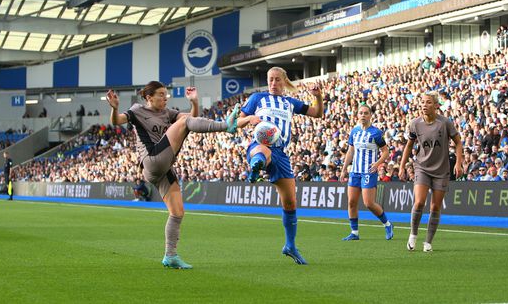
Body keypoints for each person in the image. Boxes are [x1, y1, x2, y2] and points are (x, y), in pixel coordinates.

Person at [106, 82, 239, 269]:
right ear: (149, 97)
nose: (165, 98)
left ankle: (170, 255)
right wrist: (115, 108)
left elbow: (192, 121)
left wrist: (194, 103)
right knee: (183, 123)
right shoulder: (137, 110)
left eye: (166, 94)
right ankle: (226, 125)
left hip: (163, 167)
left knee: (177, 212)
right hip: (152, 160)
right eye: (161, 94)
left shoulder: (168, 113)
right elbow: (117, 121)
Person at [238, 67, 323, 265]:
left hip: (281, 154)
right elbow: (238, 121)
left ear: (284, 82)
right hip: (260, 144)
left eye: (277, 80)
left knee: (290, 203)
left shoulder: (290, 103)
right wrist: (249, 118)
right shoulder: (257, 98)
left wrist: (318, 97)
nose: (273, 83)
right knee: (262, 152)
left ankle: (290, 246)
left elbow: (317, 113)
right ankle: (256, 165)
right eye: (270, 80)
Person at [399, 92, 463, 252]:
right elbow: (409, 145)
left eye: (428, 102)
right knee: (419, 202)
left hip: (441, 170)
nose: (424, 105)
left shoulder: (445, 123)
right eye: (422, 102)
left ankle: (428, 242)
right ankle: (413, 234)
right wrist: (402, 165)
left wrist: (459, 163)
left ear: (436, 105)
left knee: (435, 207)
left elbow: (458, 143)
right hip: (422, 167)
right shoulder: (415, 124)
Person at [340, 104, 393, 241]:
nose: (363, 115)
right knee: (351, 202)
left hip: (368, 171)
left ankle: (387, 224)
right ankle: (354, 232)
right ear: (357, 115)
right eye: (361, 113)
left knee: (369, 203)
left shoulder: (376, 133)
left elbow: (386, 151)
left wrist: (377, 164)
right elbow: (350, 151)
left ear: (370, 115)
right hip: (355, 171)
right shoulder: (354, 131)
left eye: (366, 113)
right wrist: (344, 168)